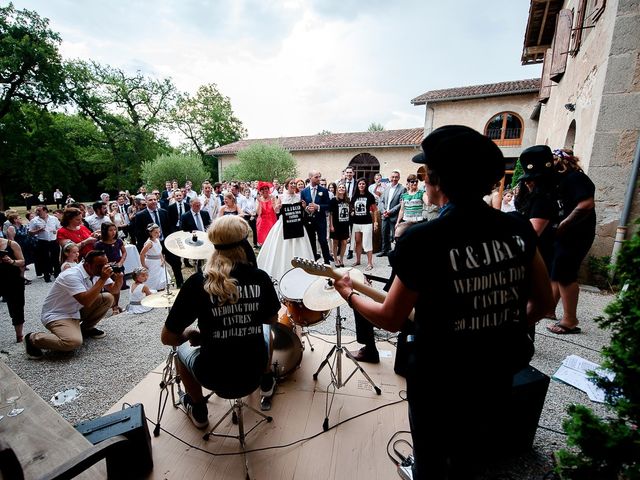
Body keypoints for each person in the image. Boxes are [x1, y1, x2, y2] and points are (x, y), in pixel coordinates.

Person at [333, 125, 553, 479]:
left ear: (435, 180)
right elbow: (545, 302)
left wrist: (349, 292)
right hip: (498, 368)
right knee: (473, 451)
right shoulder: (518, 228)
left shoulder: (424, 239)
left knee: (433, 460)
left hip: (441, 379)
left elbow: (390, 318)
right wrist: (499, 330)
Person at [160, 216, 280, 428]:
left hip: (214, 375)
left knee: (180, 353)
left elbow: (168, 338)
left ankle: (199, 410)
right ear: (244, 243)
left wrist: (190, 335)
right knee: (266, 331)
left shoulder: (198, 282)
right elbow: (271, 321)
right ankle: (267, 378)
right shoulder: (260, 278)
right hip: (254, 369)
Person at [24, 250, 124, 359]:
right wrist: (103, 279)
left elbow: (113, 290)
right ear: (87, 265)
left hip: (76, 310)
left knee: (108, 298)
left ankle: (86, 329)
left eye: (106, 264)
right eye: (100, 266)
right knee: (72, 342)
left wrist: (119, 278)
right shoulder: (71, 275)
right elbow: (86, 301)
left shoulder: (96, 270)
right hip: (58, 315)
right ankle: (32, 338)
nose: (104, 268)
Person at [546, 148, 596, 335]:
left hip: (576, 234)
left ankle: (570, 320)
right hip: (566, 234)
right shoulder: (562, 181)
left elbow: (586, 204)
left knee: (565, 273)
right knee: (556, 271)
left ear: (561, 162)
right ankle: (549, 310)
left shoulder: (576, 178)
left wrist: (564, 224)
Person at [257, 178, 314, 283]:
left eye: (294, 183)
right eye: (291, 183)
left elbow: (304, 211)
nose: (293, 185)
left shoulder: (299, 196)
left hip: (297, 224)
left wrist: (304, 207)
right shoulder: (281, 197)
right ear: (287, 185)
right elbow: (276, 210)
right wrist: (278, 207)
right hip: (284, 225)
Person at [134, 193, 183, 288]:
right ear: (146, 201)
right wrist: (146, 246)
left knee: (176, 262)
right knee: (155, 269)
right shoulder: (140, 215)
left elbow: (169, 228)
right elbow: (139, 234)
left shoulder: (163, 212)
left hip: (165, 243)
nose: (153, 201)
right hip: (152, 246)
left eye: (155, 199)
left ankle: (180, 283)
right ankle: (154, 288)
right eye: (150, 200)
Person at [300, 170, 332, 264]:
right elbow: (303, 206)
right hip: (309, 220)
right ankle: (313, 261)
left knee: (323, 240)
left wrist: (317, 207)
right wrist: (306, 208)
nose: (319, 179)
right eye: (316, 177)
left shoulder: (324, 190)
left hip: (320, 220)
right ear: (310, 178)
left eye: (319, 177)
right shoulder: (304, 192)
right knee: (311, 241)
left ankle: (327, 262)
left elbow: (328, 206)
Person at [95, 222, 127, 314]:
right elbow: (98, 257)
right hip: (107, 267)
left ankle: (116, 305)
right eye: (110, 230)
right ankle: (113, 306)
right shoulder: (99, 244)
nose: (113, 232)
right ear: (105, 231)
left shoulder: (118, 241)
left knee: (118, 286)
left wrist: (121, 262)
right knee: (109, 287)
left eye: (114, 230)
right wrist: (106, 264)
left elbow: (124, 252)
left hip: (118, 266)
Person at [0, 236, 26, 342]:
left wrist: (11, 261)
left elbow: (22, 261)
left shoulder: (12, 244)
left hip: (13, 280)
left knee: (17, 307)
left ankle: (19, 335)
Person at [350, 177, 377, 271]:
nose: (361, 185)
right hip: (356, 223)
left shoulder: (370, 196)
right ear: (357, 185)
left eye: (363, 184)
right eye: (360, 184)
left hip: (367, 223)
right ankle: (358, 260)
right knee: (357, 241)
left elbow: (375, 210)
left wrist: (376, 222)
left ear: (366, 185)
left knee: (367, 242)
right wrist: (352, 212)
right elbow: (352, 208)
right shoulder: (354, 196)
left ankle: (370, 263)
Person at [29, 205, 61, 283]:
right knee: (44, 259)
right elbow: (30, 232)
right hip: (42, 241)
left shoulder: (54, 218)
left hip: (53, 241)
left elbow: (59, 228)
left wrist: (56, 231)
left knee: (55, 258)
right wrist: (38, 230)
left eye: (39, 210)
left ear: (45, 211)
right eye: (37, 211)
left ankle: (57, 275)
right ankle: (47, 276)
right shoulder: (34, 220)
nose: (37, 212)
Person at [378, 170, 405, 257]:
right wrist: (384, 211)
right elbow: (381, 201)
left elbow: (400, 203)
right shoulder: (387, 188)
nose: (394, 179)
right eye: (393, 177)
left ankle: (396, 254)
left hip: (394, 216)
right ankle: (384, 251)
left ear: (399, 178)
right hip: (385, 215)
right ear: (390, 178)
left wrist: (390, 211)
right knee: (384, 234)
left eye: (396, 177)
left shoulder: (402, 189)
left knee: (395, 236)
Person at [328, 183, 350, 267]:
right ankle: (335, 259)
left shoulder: (347, 199)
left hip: (345, 224)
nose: (341, 188)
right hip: (336, 224)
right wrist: (331, 225)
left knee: (344, 242)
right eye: (339, 187)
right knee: (335, 242)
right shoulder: (333, 200)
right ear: (337, 189)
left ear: (345, 189)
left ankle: (341, 259)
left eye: (343, 187)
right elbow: (331, 214)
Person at [140, 223, 166, 291]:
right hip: (151, 263)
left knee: (161, 280)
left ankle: (161, 291)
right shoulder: (149, 243)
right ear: (150, 233)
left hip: (159, 263)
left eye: (159, 232)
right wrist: (143, 265)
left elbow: (159, 252)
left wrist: (162, 260)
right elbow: (142, 254)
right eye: (156, 232)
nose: (158, 234)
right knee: (153, 280)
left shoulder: (157, 240)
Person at [255, 181, 278, 247]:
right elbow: (259, 213)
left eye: (266, 189)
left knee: (272, 240)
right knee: (264, 242)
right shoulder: (259, 199)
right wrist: (260, 202)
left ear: (268, 190)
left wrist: (274, 203)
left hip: (272, 220)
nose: (264, 190)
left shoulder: (272, 198)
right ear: (260, 191)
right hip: (262, 223)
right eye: (262, 189)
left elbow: (276, 211)